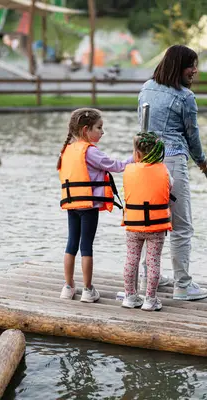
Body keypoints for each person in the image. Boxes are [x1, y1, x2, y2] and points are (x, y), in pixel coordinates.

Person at [137, 44, 207, 301]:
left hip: (147, 161)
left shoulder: (146, 88)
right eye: (191, 66)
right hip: (172, 161)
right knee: (181, 224)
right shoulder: (185, 97)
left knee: (150, 221)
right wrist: (201, 159)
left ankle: (149, 276)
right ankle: (183, 284)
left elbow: (142, 128)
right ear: (179, 66)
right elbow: (192, 134)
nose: (195, 71)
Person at [57, 108, 132, 303]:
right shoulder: (90, 151)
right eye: (99, 128)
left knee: (71, 244)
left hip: (72, 204)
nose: (102, 132)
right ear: (85, 130)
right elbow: (115, 166)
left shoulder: (68, 149)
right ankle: (88, 290)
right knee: (86, 246)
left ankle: (68, 287)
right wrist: (135, 158)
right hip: (88, 206)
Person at [121, 132, 172, 311]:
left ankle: (129, 296)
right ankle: (150, 299)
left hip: (134, 225)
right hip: (156, 227)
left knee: (131, 259)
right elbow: (170, 186)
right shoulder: (164, 170)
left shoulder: (129, 170)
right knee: (153, 261)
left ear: (136, 153)